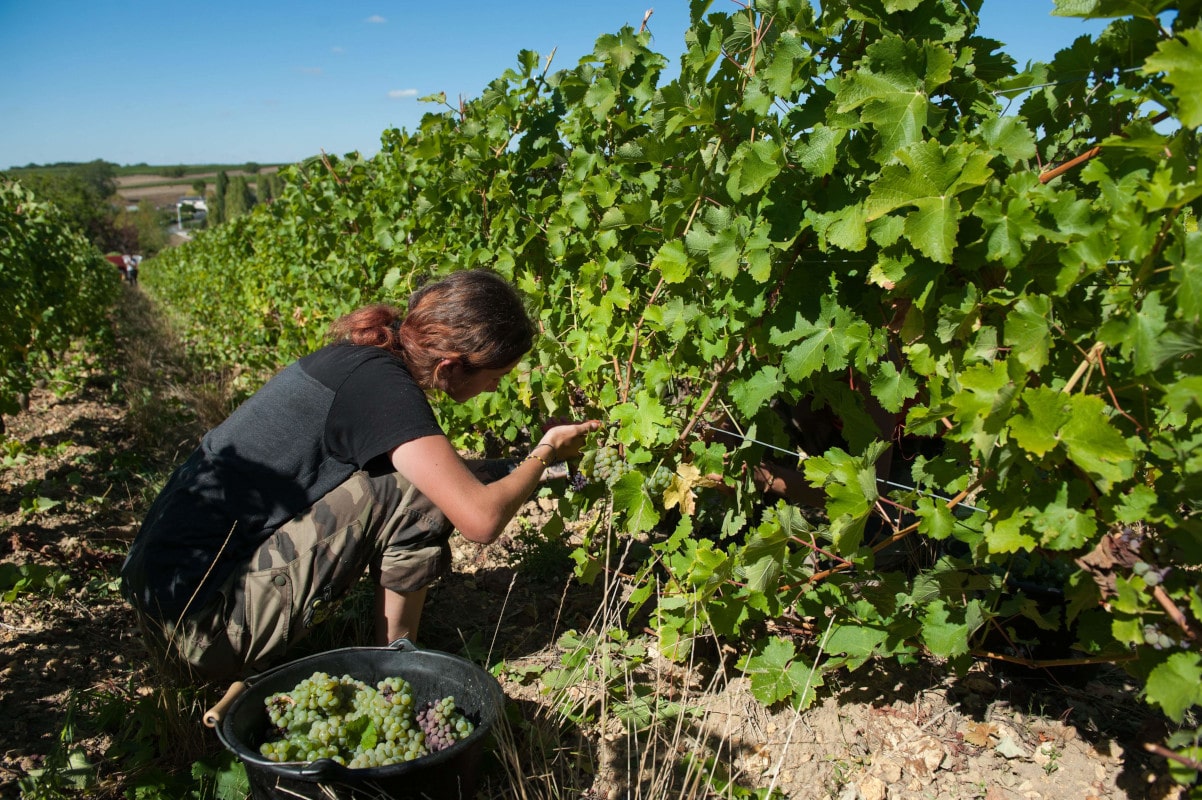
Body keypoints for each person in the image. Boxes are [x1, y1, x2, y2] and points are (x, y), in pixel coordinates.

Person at [120, 269, 600, 682]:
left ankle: (393, 652)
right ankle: (399, 663)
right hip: (202, 630)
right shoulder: (384, 393)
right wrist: (546, 450)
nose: (499, 385)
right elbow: (479, 519)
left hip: (163, 603)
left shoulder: (365, 363)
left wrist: (541, 467)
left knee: (413, 483)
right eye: (497, 374)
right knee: (416, 492)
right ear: (451, 366)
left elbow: (450, 479)